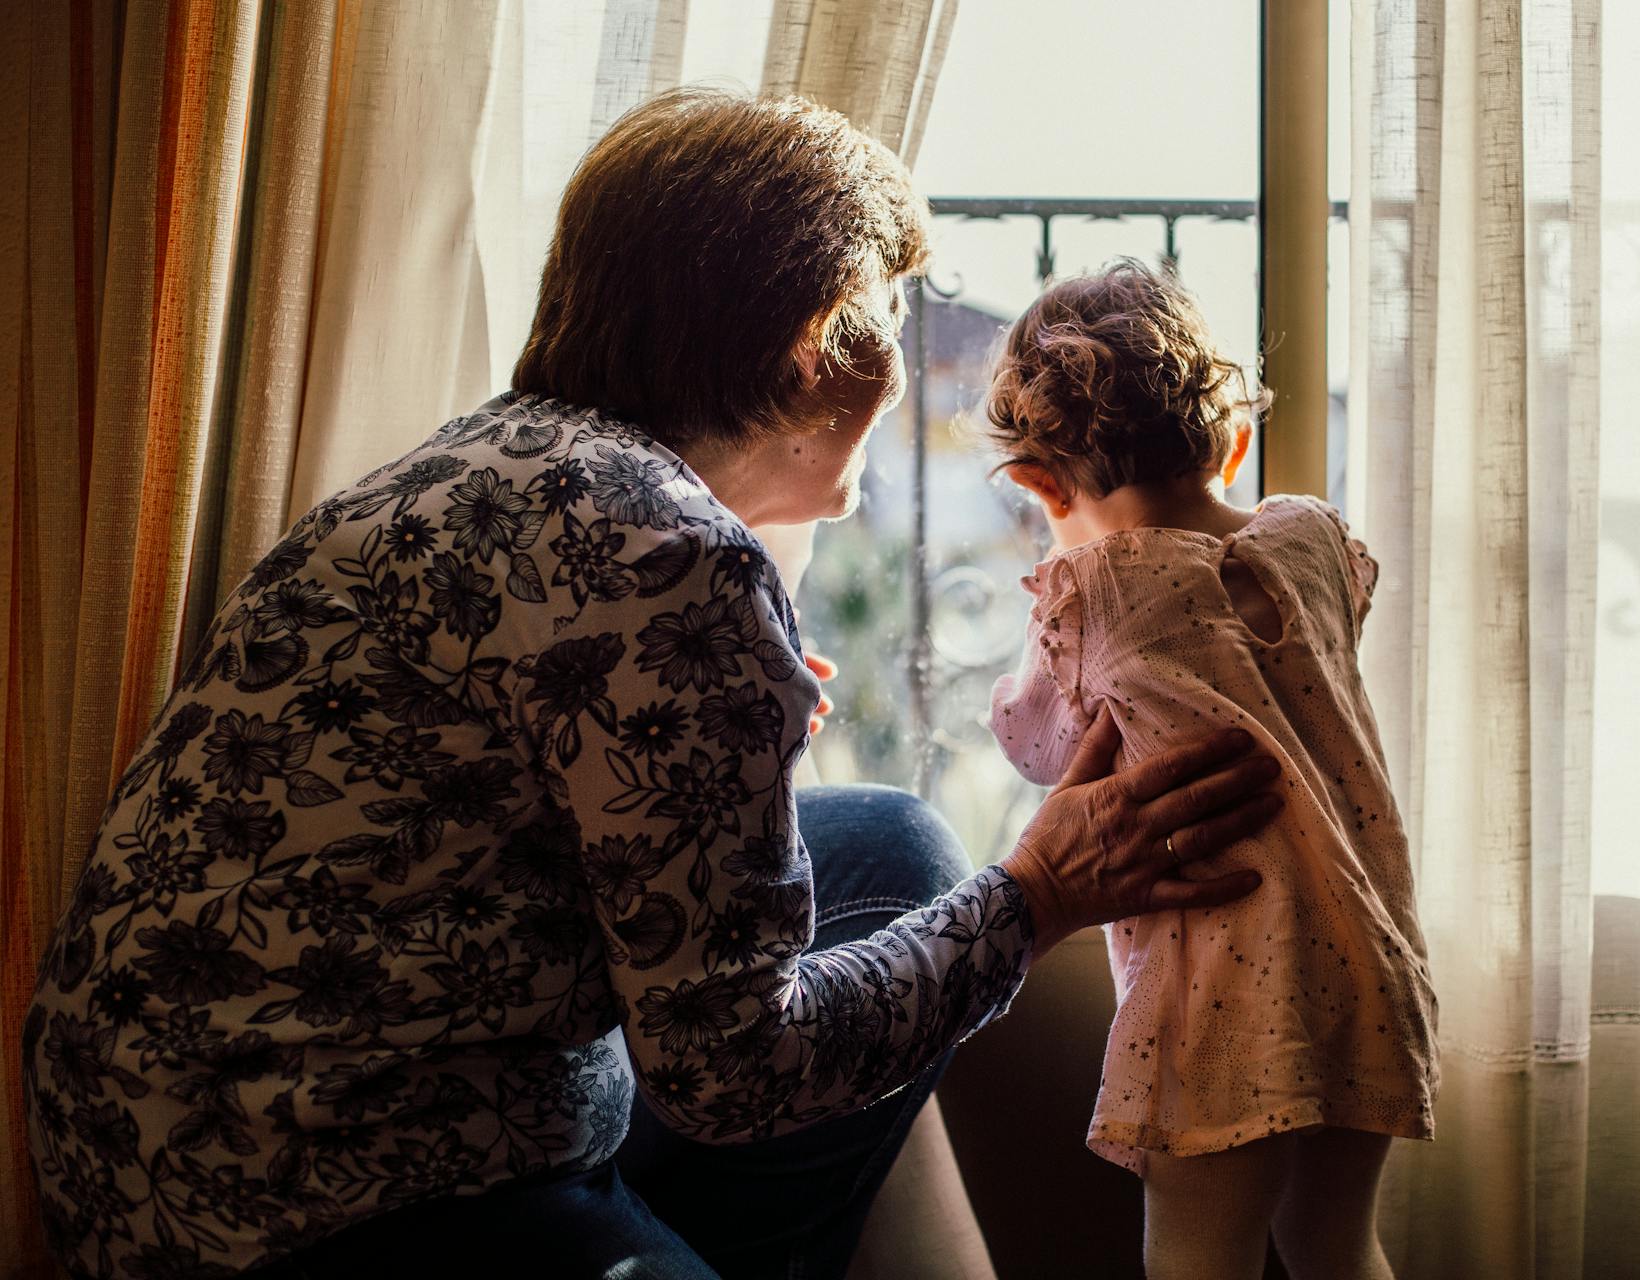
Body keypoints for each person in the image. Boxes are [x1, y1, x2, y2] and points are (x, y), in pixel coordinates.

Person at [19, 94, 1282, 1280]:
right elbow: (736, 1069)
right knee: (925, 912)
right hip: (333, 1210)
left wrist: (726, 741)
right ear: (811, 346)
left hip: (137, 1139)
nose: (896, 364)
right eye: (887, 319)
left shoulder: (483, 460)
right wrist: (1044, 889)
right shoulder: (674, 559)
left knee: (890, 845)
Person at [985, 260, 1439, 1280]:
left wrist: (1039, 644)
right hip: (1364, 952)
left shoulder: (1093, 586)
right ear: (1232, 440)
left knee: (1200, 1255)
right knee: (1335, 1242)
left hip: (1223, 991)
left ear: (1038, 484)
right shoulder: (1310, 537)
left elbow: (1043, 745)